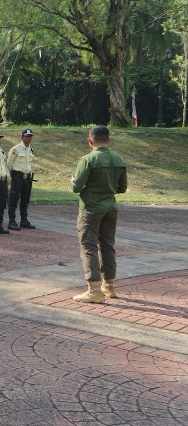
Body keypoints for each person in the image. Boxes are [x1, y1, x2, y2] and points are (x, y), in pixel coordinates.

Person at [71, 126, 127, 303]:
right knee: (108, 245)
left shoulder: (88, 160)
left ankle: (94, 290)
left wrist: (73, 181)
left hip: (91, 208)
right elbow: (122, 188)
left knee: (88, 245)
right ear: (108, 140)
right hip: (110, 207)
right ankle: (109, 286)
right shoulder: (118, 158)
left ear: (90, 141)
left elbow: (76, 187)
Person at [7, 128, 37, 230]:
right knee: (14, 198)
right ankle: (12, 221)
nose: (29, 139)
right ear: (22, 137)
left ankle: (24, 220)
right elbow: (9, 164)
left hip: (27, 177)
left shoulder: (31, 149)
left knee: (25, 199)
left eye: (30, 137)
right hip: (17, 176)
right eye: (26, 136)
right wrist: (13, 174)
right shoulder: (15, 149)